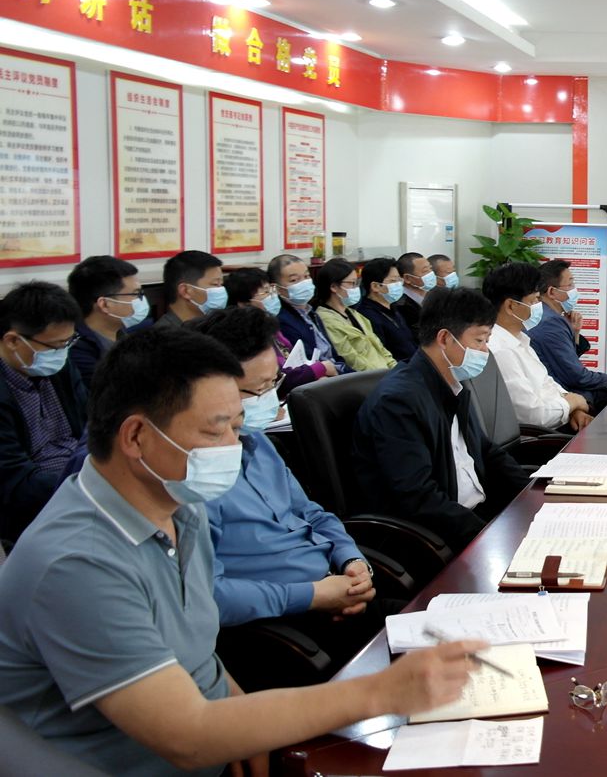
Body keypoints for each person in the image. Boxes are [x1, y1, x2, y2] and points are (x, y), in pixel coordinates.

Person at [0, 327, 481, 776]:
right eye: (216, 432)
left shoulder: (176, 501)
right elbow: (186, 735)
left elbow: (196, 650)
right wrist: (380, 692)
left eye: (238, 424)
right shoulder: (77, 564)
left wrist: (238, 708)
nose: (237, 445)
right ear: (136, 436)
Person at [188, 308, 389, 666]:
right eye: (259, 389)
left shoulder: (258, 442)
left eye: (274, 383)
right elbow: (209, 596)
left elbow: (311, 513)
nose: (270, 397)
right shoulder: (196, 473)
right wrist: (313, 596)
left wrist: (352, 560)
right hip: (280, 630)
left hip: (335, 588)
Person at [352, 287, 530, 550]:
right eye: (479, 340)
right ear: (445, 338)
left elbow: (485, 451)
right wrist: (486, 537)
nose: (485, 350)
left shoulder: (452, 382)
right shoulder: (398, 402)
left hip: (477, 517)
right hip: (435, 539)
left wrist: (532, 495)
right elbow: (418, 497)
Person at [0, 282, 86, 546]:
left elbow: (92, 424)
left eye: (69, 342)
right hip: (35, 510)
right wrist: (90, 482)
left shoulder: (58, 366)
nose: (63, 352)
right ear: (13, 341)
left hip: (82, 482)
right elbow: (14, 484)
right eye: (56, 345)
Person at [485, 263, 592, 431]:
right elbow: (534, 416)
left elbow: (548, 385)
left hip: (557, 423)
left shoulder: (520, 339)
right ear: (511, 306)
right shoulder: (501, 350)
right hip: (539, 436)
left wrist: (573, 410)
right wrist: (573, 403)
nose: (539, 306)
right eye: (534, 300)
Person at [527, 259, 607, 414]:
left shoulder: (549, 317)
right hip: (564, 397)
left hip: (563, 393)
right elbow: (577, 377)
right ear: (552, 292)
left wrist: (575, 332)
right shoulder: (551, 322)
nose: (574, 290)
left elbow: (566, 363)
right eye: (570, 285)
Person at [225, 267, 327, 397]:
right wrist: (319, 368)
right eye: (265, 292)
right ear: (244, 304)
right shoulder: (244, 335)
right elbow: (279, 377)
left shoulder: (271, 325)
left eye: (272, 290)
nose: (273, 296)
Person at [67, 255, 150, 387]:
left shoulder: (129, 336)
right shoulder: (77, 350)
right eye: (136, 294)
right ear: (105, 304)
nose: (141, 300)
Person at [268, 253, 349, 374]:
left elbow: (333, 354)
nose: (304, 283)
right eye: (294, 280)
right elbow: (306, 361)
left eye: (306, 276)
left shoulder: (311, 312)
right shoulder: (281, 319)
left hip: (337, 370)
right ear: (277, 288)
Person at [312, 259, 395, 372]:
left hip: (385, 372)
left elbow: (380, 348)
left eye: (357, 283)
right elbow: (351, 359)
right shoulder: (325, 319)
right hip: (369, 377)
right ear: (334, 287)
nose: (356, 288)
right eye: (351, 283)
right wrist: (381, 376)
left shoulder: (354, 314)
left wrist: (395, 369)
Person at [354, 257, 418, 363]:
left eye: (399, 280)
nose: (398, 284)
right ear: (375, 286)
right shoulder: (367, 315)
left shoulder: (393, 309)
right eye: (393, 281)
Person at [154, 249, 225, 328]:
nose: (221, 290)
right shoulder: (163, 333)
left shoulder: (211, 325)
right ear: (185, 291)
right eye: (215, 284)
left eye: (221, 284)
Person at [395, 251, 435, 335]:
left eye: (430, 269)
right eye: (425, 271)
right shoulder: (400, 304)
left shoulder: (434, 293)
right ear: (407, 278)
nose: (431, 274)